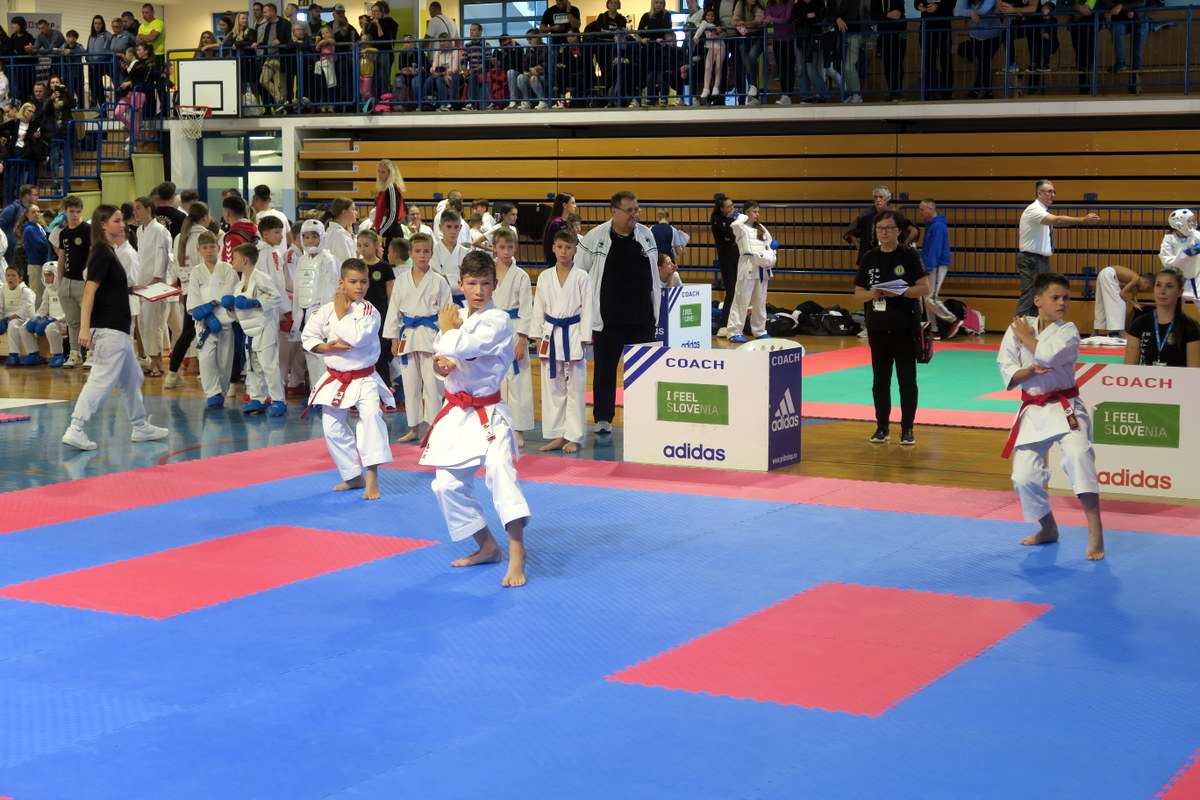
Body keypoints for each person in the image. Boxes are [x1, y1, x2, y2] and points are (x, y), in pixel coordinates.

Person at [419, 250, 531, 587]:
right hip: (457, 412)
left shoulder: (498, 320)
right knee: (446, 484)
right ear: (461, 284)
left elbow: (463, 348)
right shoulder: (459, 318)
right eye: (472, 283)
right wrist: (442, 367)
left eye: (485, 283)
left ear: (495, 285)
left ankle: (517, 552)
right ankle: (487, 546)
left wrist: (446, 329)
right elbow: (445, 359)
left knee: (500, 472)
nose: (478, 290)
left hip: (489, 412)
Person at [998, 271, 1105, 560]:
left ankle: (1096, 532)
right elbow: (1008, 369)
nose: (1062, 303)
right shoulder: (1017, 327)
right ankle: (1048, 528)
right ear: (1038, 300)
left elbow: (1047, 355)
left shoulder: (1068, 330)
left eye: (1066, 298)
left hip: (1065, 407)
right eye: (1055, 297)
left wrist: (1025, 337)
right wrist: (1030, 371)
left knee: (1079, 458)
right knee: (1024, 477)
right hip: (1033, 410)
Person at [60, 205, 169, 450]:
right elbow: (89, 290)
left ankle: (140, 425)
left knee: (132, 378)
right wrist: (84, 328)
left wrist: (130, 289)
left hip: (117, 327)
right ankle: (76, 427)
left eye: (122, 220)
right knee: (101, 378)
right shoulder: (102, 252)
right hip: (109, 328)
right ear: (103, 225)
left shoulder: (109, 252)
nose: (123, 224)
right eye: (117, 221)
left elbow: (107, 286)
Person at [302, 259, 394, 499]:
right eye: (353, 282)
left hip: (364, 378)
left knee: (371, 419)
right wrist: (325, 347)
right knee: (331, 426)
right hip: (335, 378)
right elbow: (308, 336)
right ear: (341, 283)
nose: (359, 286)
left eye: (363, 281)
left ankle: (372, 478)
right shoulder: (325, 310)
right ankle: (353, 476)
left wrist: (342, 313)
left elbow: (357, 339)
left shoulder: (369, 311)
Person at [576, 190, 660, 435]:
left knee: (644, 371)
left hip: (642, 318)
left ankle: (644, 417)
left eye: (637, 209)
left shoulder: (646, 235)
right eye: (629, 210)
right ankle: (603, 417)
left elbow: (654, 272)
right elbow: (579, 273)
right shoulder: (595, 238)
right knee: (604, 370)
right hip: (608, 320)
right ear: (614, 211)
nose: (635, 214)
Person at [852, 207, 930, 446]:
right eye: (880, 228)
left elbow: (924, 288)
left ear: (899, 230)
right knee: (880, 380)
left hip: (905, 326)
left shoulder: (909, 255)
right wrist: (872, 293)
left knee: (907, 380)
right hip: (877, 326)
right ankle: (882, 427)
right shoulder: (869, 257)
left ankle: (907, 429)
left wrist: (901, 292)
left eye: (889, 228)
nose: (884, 232)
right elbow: (858, 293)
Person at [383, 231, 450, 442]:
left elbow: (447, 313)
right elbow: (393, 311)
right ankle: (413, 428)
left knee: (433, 386)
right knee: (411, 385)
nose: (422, 255)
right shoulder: (401, 280)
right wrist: (393, 340)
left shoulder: (439, 281)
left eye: (426, 251)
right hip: (408, 336)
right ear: (410, 253)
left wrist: (446, 342)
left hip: (431, 336)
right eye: (418, 251)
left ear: (432, 254)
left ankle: (433, 429)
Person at [532, 229, 592, 453]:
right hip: (550, 334)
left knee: (575, 387)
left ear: (575, 249)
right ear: (553, 249)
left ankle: (573, 436)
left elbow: (588, 309)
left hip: (573, 333)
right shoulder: (545, 277)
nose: (564, 251)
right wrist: (538, 337)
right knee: (552, 388)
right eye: (560, 247)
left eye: (568, 247)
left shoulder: (582, 277)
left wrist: (584, 339)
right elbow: (538, 309)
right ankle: (557, 435)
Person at [1015, 179, 1100, 317]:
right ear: (1039, 193)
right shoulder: (1034, 210)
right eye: (1049, 191)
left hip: (1039, 260)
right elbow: (1057, 221)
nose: (1053, 195)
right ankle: (1018, 329)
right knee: (1030, 296)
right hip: (1031, 259)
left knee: (1039, 297)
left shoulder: (1042, 210)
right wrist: (1082, 220)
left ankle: (1033, 328)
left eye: (1053, 191)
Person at [230, 242, 287, 415]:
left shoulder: (261, 277)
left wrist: (256, 302)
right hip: (249, 331)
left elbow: (276, 297)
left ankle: (278, 400)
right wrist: (230, 307)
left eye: (235, 258)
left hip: (265, 328)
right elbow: (238, 313)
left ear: (244, 260)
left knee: (269, 366)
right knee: (253, 366)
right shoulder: (239, 285)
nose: (232, 261)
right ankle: (257, 398)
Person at [489, 228, 533, 447]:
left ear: (515, 248)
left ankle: (518, 429)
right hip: (492, 329)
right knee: (493, 379)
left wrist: (522, 340)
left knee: (518, 381)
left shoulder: (521, 276)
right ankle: (495, 426)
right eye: (501, 247)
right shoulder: (488, 273)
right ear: (494, 248)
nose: (506, 251)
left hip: (514, 329)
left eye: (509, 247)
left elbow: (526, 310)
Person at [187, 231, 239, 408]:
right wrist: (205, 312)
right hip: (204, 321)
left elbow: (230, 291)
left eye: (212, 247)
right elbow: (193, 294)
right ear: (199, 250)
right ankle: (212, 393)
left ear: (218, 248)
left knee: (225, 359)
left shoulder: (227, 268)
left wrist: (215, 304)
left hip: (225, 319)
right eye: (204, 248)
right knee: (206, 358)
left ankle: (222, 391)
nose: (209, 250)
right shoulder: (196, 271)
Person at [164, 202, 212, 388]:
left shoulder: (179, 237)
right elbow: (207, 266)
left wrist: (184, 287)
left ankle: (172, 374)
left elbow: (177, 266)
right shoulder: (204, 236)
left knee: (188, 334)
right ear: (205, 217)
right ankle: (207, 374)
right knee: (207, 334)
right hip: (203, 291)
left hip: (187, 291)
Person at [292, 218, 341, 390]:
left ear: (322, 237)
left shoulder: (328, 259)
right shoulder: (302, 260)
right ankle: (315, 392)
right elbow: (298, 289)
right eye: (307, 237)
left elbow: (333, 288)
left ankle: (324, 393)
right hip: (304, 314)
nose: (310, 241)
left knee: (322, 356)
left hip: (321, 313)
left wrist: (329, 316)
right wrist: (296, 316)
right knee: (309, 353)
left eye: (314, 237)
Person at [1123, 268, 1200, 367]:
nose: (1162, 291)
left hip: (1179, 377)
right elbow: (1129, 368)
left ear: (1180, 292)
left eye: (1169, 286)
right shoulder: (1139, 323)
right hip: (1147, 377)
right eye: (1158, 285)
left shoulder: (1190, 327)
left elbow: (1194, 372)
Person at [725, 200, 776, 343]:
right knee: (742, 300)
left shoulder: (762, 228)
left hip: (762, 267)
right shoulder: (741, 228)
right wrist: (741, 217)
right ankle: (734, 332)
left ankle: (759, 331)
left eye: (758, 212)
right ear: (747, 212)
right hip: (747, 264)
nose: (757, 214)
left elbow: (769, 245)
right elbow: (735, 225)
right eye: (754, 212)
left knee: (760, 301)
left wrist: (771, 256)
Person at [132, 195, 171, 377]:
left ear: (149, 209)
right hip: (142, 282)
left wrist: (156, 278)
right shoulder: (140, 231)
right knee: (143, 324)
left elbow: (162, 255)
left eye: (138, 208)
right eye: (134, 209)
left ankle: (158, 362)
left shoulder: (159, 230)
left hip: (156, 283)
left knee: (154, 323)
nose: (135, 212)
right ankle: (150, 359)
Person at [916, 198, 959, 337]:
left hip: (936, 265)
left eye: (922, 209)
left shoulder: (937, 226)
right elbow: (932, 247)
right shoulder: (932, 225)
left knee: (930, 298)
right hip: (932, 263)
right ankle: (933, 329)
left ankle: (953, 319)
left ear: (930, 209)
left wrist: (928, 267)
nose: (920, 212)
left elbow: (936, 249)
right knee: (926, 297)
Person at [356, 229, 394, 386]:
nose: (362, 249)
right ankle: (362, 386)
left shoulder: (384, 267)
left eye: (366, 245)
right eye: (359, 245)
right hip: (360, 314)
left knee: (381, 351)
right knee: (361, 350)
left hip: (380, 315)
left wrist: (391, 317)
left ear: (376, 245)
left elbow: (390, 294)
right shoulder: (357, 267)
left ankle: (385, 387)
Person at [843, 186, 918, 266]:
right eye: (875, 197)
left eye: (881, 197)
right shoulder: (866, 215)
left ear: (888, 199)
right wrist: (861, 249)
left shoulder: (895, 214)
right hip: (872, 256)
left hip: (893, 255)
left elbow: (914, 230)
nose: (878, 200)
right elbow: (850, 232)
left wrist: (904, 245)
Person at [955, 0, 1001, 99]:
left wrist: (971, 13)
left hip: (993, 36)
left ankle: (976, 90)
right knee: (984, 63)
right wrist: (970, 12)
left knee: (984, 62)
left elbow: (985, 10)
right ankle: (987, 92)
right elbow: (959, 11)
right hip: (975, 36)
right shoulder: (967, 1)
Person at [1158, 208, 1200, 310]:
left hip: (1197, 277)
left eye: (1192, 220)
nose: (1192, 223)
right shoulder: (1168, 240)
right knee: (1172, 311)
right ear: (1180, 225)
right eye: (1189, 221)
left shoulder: (1196, 235)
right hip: (1177, 279)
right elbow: (1168, 264)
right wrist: (1186, 253)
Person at [1092, 265, 1151, 335]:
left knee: (1101, 305)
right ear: (1146, 282)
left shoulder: (1135, 280)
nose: (1145, 290)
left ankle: (1095, 333)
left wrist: (1136, 303)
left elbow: (1134, 296)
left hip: (1103, 273)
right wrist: (1133, 303)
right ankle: (1122, 333)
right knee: (1120, 304)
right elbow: (1122, 294)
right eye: (1148, 288)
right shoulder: (1136, 278)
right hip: (1109, 274)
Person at [29, 263, 68, 366]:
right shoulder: (47, 290)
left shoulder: (65, 288)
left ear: (57, 274)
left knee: (50, 328)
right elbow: (44, 308)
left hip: (64, 322)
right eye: (45, 275)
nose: (47, 278)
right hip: (51, 320)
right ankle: (34, 354)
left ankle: (58, 355)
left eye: (50, 275)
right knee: (24, 327)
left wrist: (53, 319)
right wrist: (37, 317)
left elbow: (68, 311)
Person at [712, 195, 739, 336]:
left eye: (732, 205)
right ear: (722, 209)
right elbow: (729, 233)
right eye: (728, 207)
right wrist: (729, 220)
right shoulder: (716, 219)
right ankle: (723, 324)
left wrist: (730, 236)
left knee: (739, 291)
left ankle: (736, 323)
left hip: (738, 257)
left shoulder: (734, 218)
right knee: (731, 290)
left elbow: (734, 236)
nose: (732, 208)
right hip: (726, 260)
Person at [870, 0, 906, 102]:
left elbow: (897, 14)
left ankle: (898, 92)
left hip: (898, 34)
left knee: (897, 63)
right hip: (884, 35)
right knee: (887, 65)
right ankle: (892, 92)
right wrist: (887, 15)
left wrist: (883, 17)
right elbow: (873, 16)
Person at [2, 265, 37, 365]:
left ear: (20, 278)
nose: (10, 278)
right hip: (8, 319)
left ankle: (14, 355)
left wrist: (7, 319)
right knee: (11, 323)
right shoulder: (3, 289)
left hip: (26, 319)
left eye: (13, 275)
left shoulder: (27, 291)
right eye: (8, 275)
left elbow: (23, 311)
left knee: (13, 324)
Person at [431, 209, 468, 303]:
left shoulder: (467, 253)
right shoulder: (431, 252)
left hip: (463, 300)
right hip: (439, 300)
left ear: (460, 227)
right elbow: (434, 280)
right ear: (440, 227)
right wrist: (457, 280)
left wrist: (444, 277)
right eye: (449, 227)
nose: (453, 231)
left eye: (456, 227)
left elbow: (469, 281)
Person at [370, 159, 406, 248]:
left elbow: (393, 215)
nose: (380, 174)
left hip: (391, 232)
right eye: (379, 171)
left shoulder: (391, 188)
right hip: (385, 230)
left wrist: (383, 232)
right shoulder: (383, 189)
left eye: (383, 172)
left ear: (390, 174)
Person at [85, 16, 113, 107]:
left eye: (99, 23)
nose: (97, 25)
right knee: (92, 85)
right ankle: (96, 101)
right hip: (91, 64)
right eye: (95, 23)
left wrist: (99, 59)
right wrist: (87, 58)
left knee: (98, 85)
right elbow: (88, 49)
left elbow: (107, 50)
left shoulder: (107, 35)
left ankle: (102, 105)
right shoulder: (91, 36)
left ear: (103, 24)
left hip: (101, 64)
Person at [543, 193, 577, 267]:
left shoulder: (569, 223)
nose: (575, 206)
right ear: (564, 205)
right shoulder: (555, 224)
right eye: (573, 203)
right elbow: (549, 248)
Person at [326, 197, 358, 265]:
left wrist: (351, 237)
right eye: (353, 209)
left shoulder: (336, 231)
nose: (356, 213)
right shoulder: (339, 234)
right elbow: (347, 263)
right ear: (344, 212)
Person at [136, 3, 166, 70]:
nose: (144, 15)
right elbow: (138, 41)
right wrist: (148, 36)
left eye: (146, 12)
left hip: (157, 54)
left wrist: (142, 36)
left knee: (157, 75)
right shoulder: (142, 26)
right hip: (145, 55)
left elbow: (152, 38)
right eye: (143, 13)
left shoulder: (159, 23)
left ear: (152, 12)